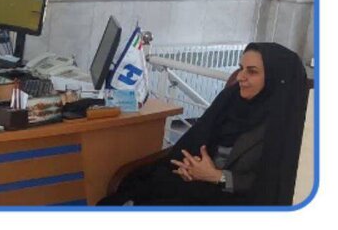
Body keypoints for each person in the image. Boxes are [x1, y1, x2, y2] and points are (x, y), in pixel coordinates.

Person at [99, 43, 308, 206]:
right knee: (137, 182)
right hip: (199, 178)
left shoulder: (286, 123)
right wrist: (190, 165)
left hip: (233, 197)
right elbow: (198, 139)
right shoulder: (232, 98)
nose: (241, 77)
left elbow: (272, 183)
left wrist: (216, 176)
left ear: (274, 78)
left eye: (252, 71)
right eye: (240, 68)